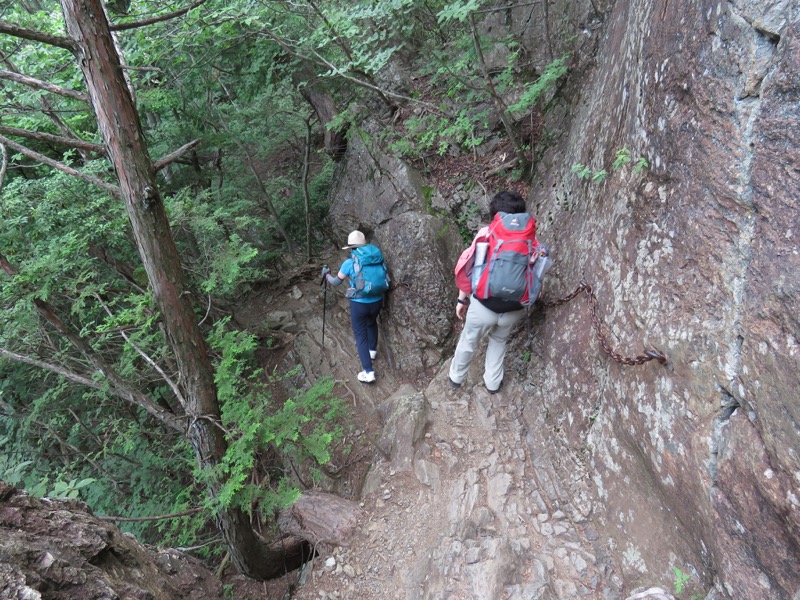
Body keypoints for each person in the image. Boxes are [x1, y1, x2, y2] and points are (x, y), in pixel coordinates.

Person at [449, 191, 540, 393]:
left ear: (495, 212)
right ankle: (492, 384)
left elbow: (468, 266)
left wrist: (461, 300)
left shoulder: (486, 233)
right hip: (514, 307)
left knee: (469, 340)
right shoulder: (530, 240)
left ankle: (455, 378)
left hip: (484, 305)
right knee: (499, 342)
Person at [322, 231, 387, 383]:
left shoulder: (349, 263)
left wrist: (326, 275)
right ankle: (372, 351)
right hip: (377, 300)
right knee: (372, 323)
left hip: (359, 304)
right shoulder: (377, 257)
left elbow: (336, 282)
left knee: (360, 336)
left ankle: (368, 372)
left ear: (351, 248)